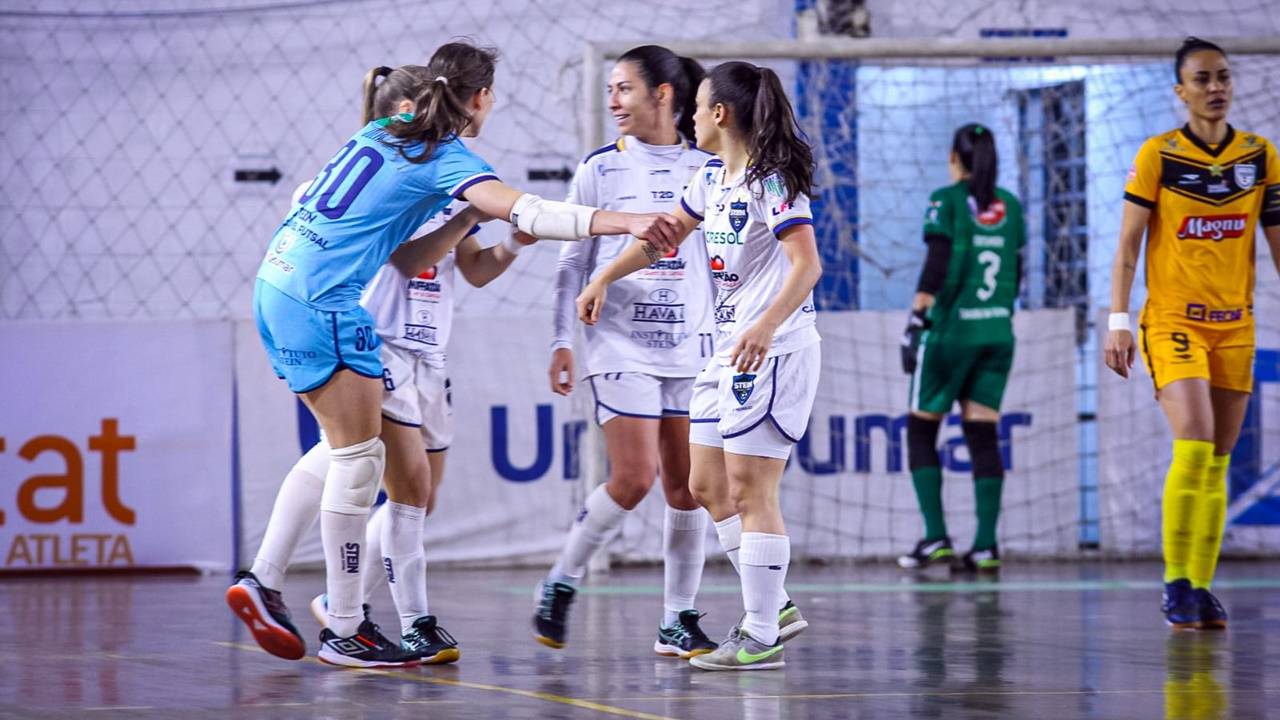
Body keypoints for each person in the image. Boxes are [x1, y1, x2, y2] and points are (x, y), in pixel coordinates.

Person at [227, 41, 681, 669]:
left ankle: (270, 583)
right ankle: (345, 624)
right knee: (362, 467)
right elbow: (530, 208)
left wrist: (475, 224)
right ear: (482, 98)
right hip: (331, 306)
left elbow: (426, 254)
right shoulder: (445, 157)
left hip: (277, 285)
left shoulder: (384, 130)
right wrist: (625, 220)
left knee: (348, 454)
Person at [576, 61, 823, 671]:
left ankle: (761, 633)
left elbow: (807, 266)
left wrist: (765, 325)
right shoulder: (711, 177)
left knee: (750, 489)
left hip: (774, 348)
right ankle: (778, 605)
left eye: (698, 105)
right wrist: (605, 274)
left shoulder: (772, 182)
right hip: (724, 349)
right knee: (704, 485)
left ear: (720, 114)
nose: (688, 115)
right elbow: (664, 236)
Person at [532, 45, 717, 659]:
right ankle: (561, 580)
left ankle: (677, 619)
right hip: (619, 340)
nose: (612, 101)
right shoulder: (599, 168)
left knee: (687, 488)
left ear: (664, 95)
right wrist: (563, 340)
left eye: (623, 89)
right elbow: (572, 261)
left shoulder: (708, 165)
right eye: (609, 90)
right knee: (634, 477)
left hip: (692, 346)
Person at [1104, 37, 1280, 630]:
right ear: (1181, 91)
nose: (1216, 87)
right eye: (1202, 79)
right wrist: (1119, 320)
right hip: (1173, 321)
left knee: (1219, 460)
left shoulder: (1261, 156)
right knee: (1197, 441)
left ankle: (1199, 586)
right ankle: (1176, 583)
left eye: (1223, 76)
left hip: (1236, 326)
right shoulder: (1159, 154)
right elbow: (1128, 245)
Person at [896, 123, 1026, 575]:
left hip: (951, 332)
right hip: (997, 333)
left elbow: (938, 259)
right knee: (982, 433)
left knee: (919, 430)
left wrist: (917, 317)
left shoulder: (946, 199)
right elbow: (1019, 270)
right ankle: (986, 545)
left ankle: (936, 537)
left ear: (955, 157)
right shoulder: (1009, 205)